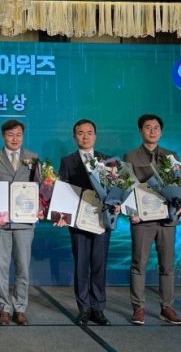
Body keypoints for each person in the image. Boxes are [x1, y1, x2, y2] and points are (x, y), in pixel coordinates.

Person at [124, 114, 181, 326]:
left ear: (161, 131)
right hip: (142, 220)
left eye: (156, 127)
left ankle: (167, 307)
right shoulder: (131, 156)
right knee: (139, 264)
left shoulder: (171, 156)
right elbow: (124, 187)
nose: (152, 131)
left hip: (167, 219)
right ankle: (138, 307)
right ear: (140, 131)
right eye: (148, 127)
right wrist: (130, 211)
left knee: (167, 266)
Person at [0, 119, 41, 326]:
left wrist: (40, 205)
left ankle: (20, 308)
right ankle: (4, 309)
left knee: (23, 267)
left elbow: (39, 188)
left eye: (18, 135)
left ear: (23, 136)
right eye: (10, 135)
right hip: (1, 223)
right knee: (1, 267)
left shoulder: (33, 158)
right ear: (3, 136)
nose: (14, 139)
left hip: (25, 222)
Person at [57, 119, 113, 326]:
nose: (85, 136)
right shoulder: (67, 161)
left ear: (95, 136)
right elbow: (63, 189)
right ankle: (84, 309)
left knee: (99, 266)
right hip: (78, 222)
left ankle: (98, 309)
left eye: (89, 132)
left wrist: (116, 203)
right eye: (80, 133)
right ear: (74, 137)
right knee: (81, 266)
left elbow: (115, 189)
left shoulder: (107, 160)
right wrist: (61, 215)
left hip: (101, 220)